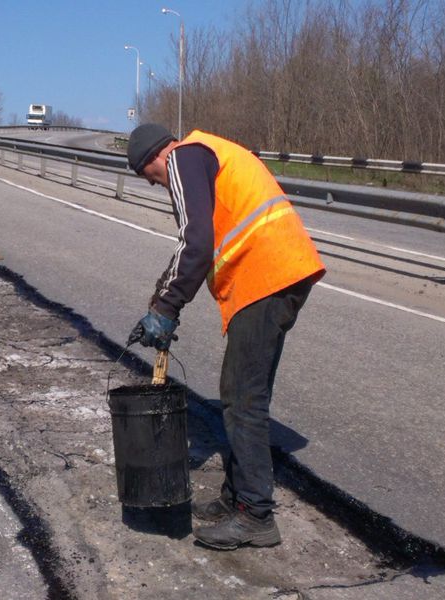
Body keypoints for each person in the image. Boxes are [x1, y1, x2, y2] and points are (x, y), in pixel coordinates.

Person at [126, 123, 326, 550]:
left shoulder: (182, 157)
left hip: (265, 276)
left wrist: (165, 308)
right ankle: (236, 498)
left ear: (155, 160)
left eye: (151, 178)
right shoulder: (206, 153)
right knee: (241, 392)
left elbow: (194, 243)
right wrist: (159, 301)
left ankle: (255, 515)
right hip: (280, 271)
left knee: (243, 398)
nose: (158, 185)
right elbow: (196, 246)